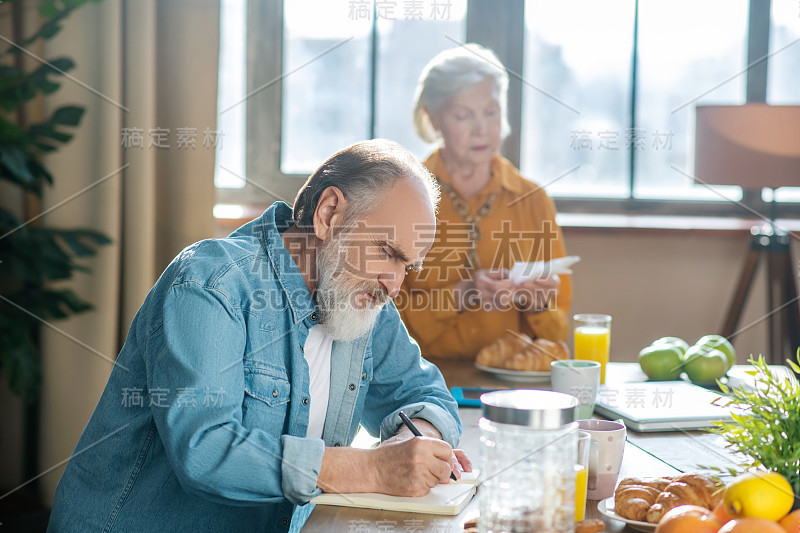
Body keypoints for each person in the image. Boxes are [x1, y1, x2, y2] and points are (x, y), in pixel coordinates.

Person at [47, 140, 471, 532]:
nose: (394, 284)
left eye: (406, 267)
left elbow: (427, 393)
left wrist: (415, 441)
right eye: (387, 252)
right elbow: (206, 450)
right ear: (328, 214)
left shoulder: (361, 297)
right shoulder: (211, 283)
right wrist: (374, 469)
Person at [399, 43, 573, 359]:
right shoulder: (403, 196)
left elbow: (557, 334)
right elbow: (385, 321)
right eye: (463, 115)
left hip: (513, 381)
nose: (482, 129)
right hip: (421, 380)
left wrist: (538, 305)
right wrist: (465, 293)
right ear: (434, 119)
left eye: (491, 112)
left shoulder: (532, 200)